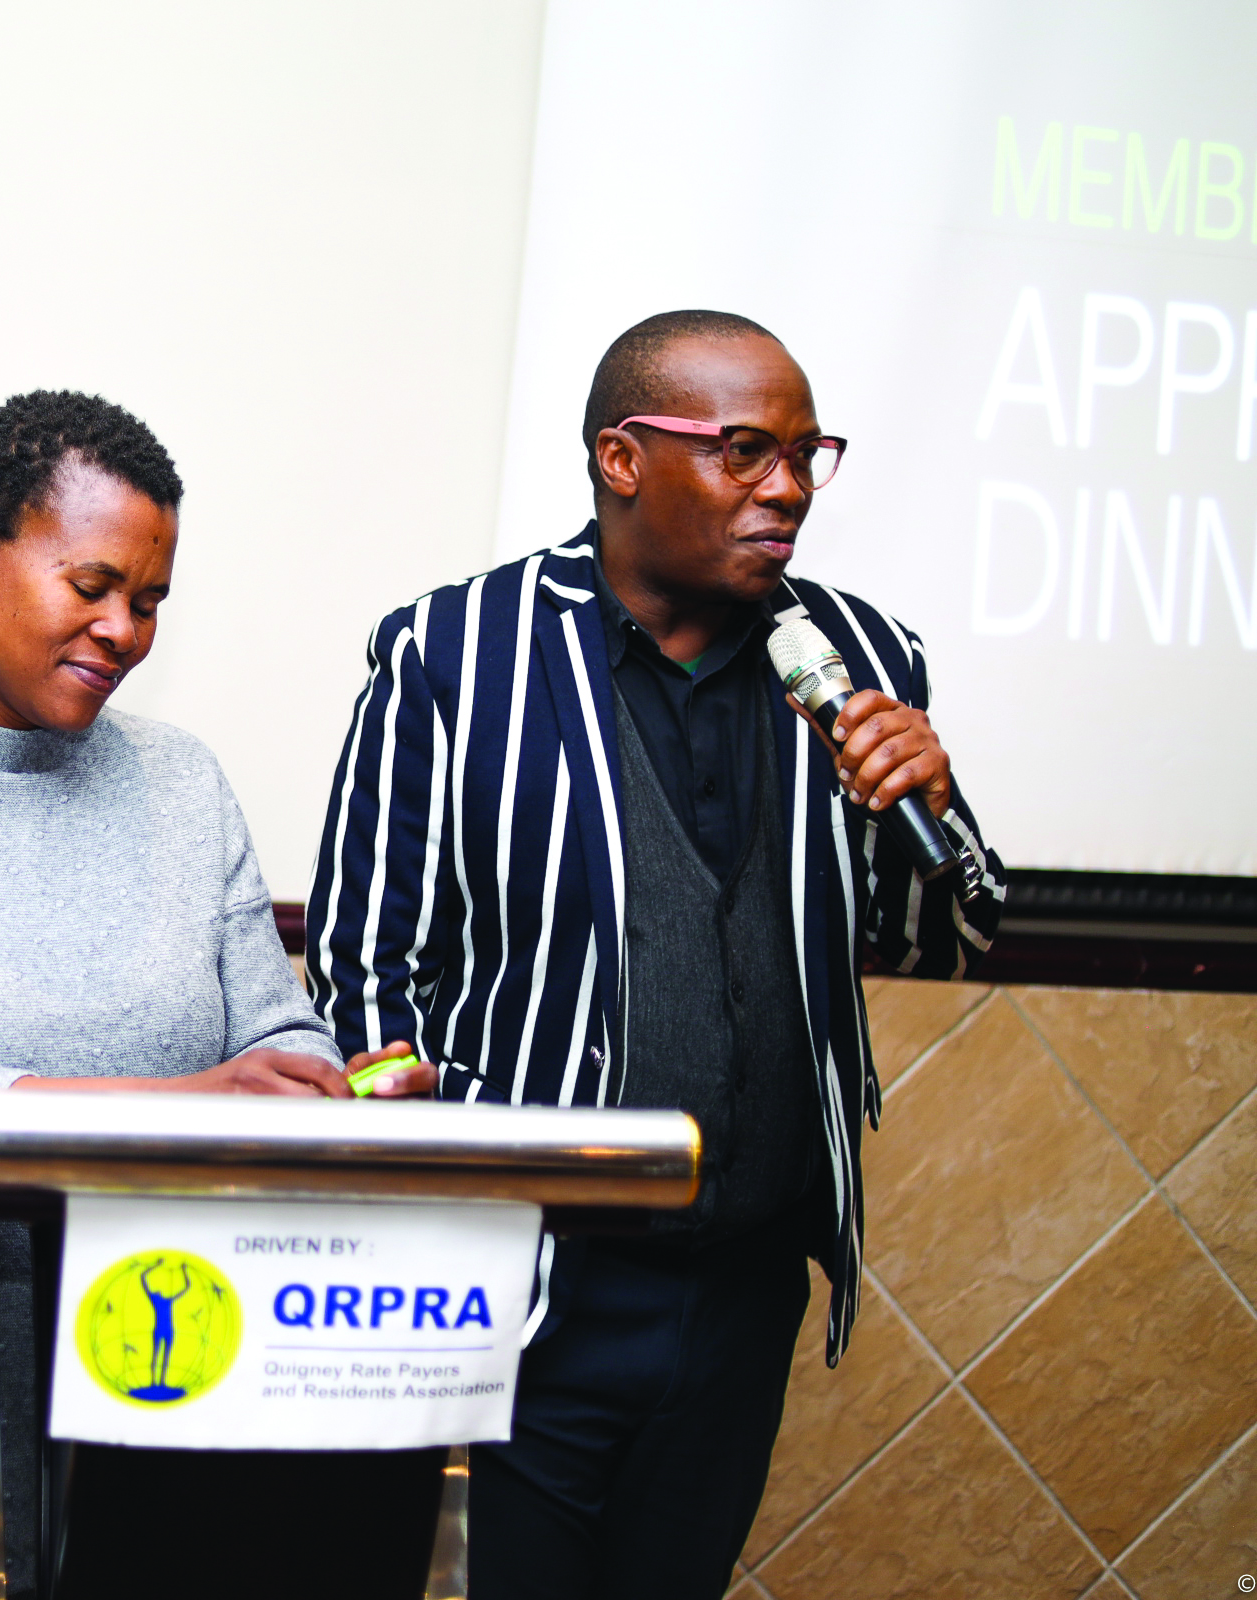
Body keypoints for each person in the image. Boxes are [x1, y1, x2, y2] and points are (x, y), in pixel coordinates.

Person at [306, 311, 1003, 1599]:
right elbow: (364, 966)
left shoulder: (861, 655)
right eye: (744, 451)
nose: (786, 487)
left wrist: (933, 805)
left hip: (743, 1288)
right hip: (523, 1287)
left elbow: (942, 935)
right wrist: (416, 1193)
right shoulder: (455, 652)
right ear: (621, 459)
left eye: (805, 454)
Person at [0, 390, 431, 1600]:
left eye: (149, 600)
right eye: (94, 584)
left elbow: (271, 1026)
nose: (123, 630)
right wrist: (189, 1102)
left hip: (173, 1410)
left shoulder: (183, 781)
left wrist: (326, 1088)